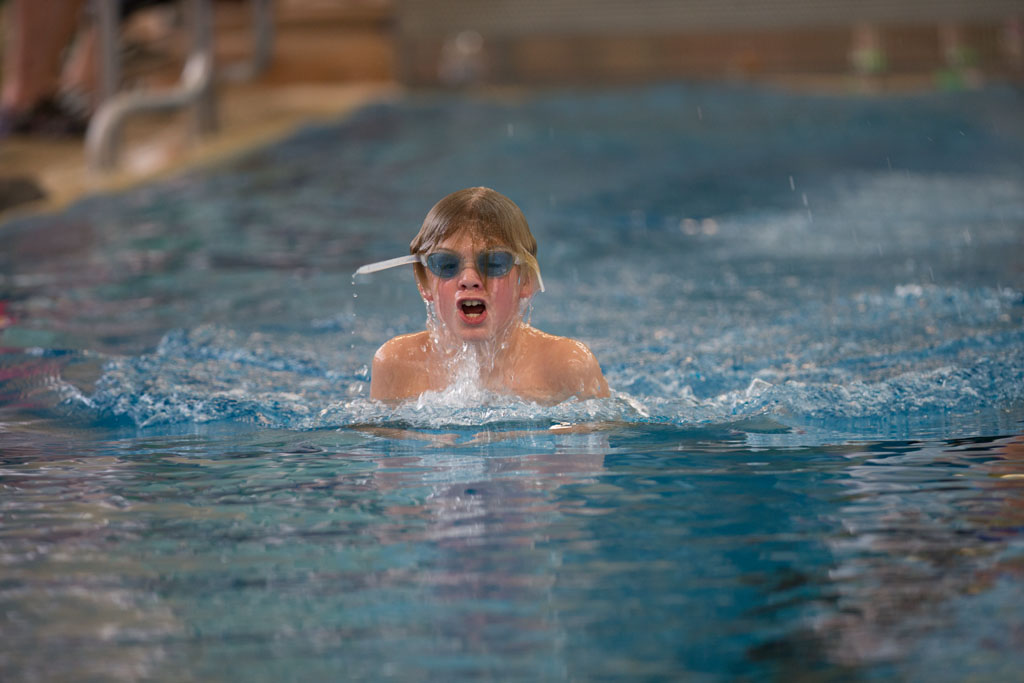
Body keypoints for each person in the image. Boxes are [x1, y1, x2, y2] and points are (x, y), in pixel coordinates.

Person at [356, 187, 610, 405]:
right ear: (424, 282)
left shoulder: (565, 365)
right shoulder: (397, 364)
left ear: (526, 279)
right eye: (446, 264)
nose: (469, 279)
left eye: (493, 263)